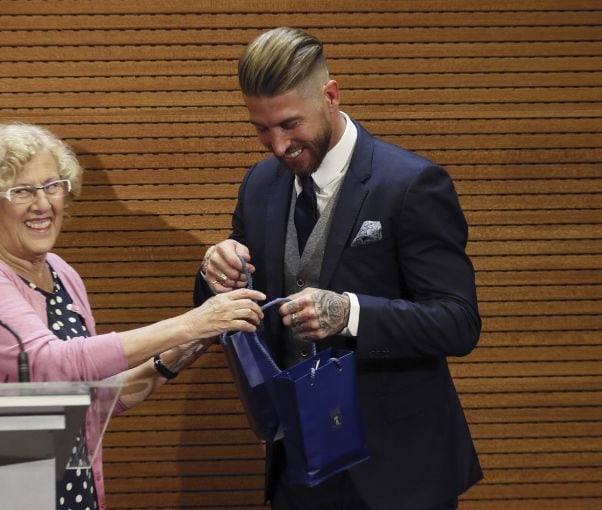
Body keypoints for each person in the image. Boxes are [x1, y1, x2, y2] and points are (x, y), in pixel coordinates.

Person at [193, 27, 482, 510]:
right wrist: (214, 274)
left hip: (400, 474)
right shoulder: (261, 183)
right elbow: (225, 312)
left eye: (290, 124)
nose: (278, 145)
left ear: (330, 96)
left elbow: (459, 323)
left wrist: (350, 314)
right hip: (297, 467)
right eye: (261, 129)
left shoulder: (411, 185)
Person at [0, 122, 265, 510]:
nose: (42, 203)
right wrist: (193, 321)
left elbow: (91, 396)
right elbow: (50, 364)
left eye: (52, 186)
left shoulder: (62, 274)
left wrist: (179, 351)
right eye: (22, 191)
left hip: (70, 492)